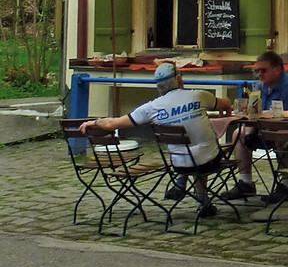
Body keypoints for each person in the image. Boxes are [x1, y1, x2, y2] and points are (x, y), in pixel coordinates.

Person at [79, 62, 228, 218]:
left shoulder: (151, 108)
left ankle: (182, 184)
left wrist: (94, 122)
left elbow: (112, 124)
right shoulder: (199, 95)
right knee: (203, 150)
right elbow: (225, 103)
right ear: (179, 79)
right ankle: (202, 198)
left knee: (188, 152)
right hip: (209, 161)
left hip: (179, 165)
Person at [225, 50, 288, 202]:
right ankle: (245, 182)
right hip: (268, 129)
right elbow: (255, 112)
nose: (260, 74)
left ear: (278, 69)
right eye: (257, 70)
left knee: (282, 134)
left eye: (264, 70)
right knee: (238, 133)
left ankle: (286, 186)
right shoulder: (260, 87)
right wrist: (249, 127)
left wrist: (259, 122)